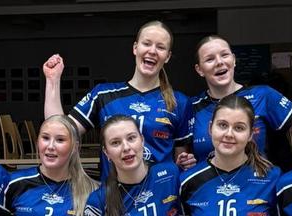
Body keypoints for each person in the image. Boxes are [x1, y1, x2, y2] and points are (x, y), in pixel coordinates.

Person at [42, 20, 188, 168]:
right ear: (135, 48)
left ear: (167, 56)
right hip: (113, 183)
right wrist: (52, 80)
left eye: (160, 47)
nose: (152, 51)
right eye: (147, 43)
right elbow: (58, 131)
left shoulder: (179, 102)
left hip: (161, 183)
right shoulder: (103, 95)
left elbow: (181, 161)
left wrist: (185, 163)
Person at [177, 38, 292, 168]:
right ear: (199, 70)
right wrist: (184, 162)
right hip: (209, 190)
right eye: (210, 59)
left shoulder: (263, 95)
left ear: (234, 60)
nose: (219, 62)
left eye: (224, 55)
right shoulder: (190, 107)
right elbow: (183, 156)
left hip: (259, 188)